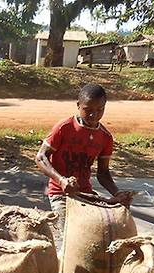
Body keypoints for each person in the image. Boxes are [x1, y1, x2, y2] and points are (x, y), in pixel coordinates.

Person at [35, 83, 133, 247]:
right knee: (72, 238)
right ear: (78, 106)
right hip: (61, 193)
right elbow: (40, 157)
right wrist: (61, 181)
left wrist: (118, 193)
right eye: (88, 110)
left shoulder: (105, 137)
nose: (94, 115)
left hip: (86, 195)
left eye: (100, 110)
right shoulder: (64, 128)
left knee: (101, 236)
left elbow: (103, 174)